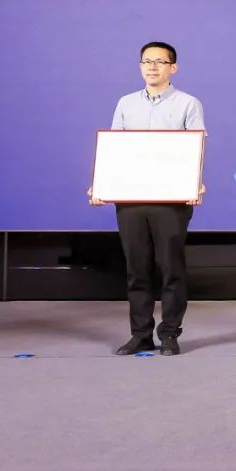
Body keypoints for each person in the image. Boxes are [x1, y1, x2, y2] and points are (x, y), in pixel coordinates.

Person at [89, 42, 204, 357]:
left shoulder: (188, 103)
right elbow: (114, 148)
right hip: (131, 197)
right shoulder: (126, 103)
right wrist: (100, 185)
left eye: (160, 62)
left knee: (170, 268)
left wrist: (194, 183)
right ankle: (140, 334)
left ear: (173, 68)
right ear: (140, 66)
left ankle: (169, 334)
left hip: (171, 199)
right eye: (146, 61)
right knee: (136, 268)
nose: (152, 67)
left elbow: (196, 147)